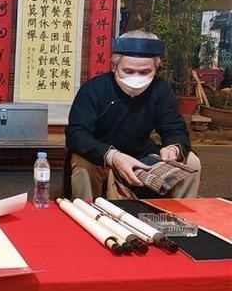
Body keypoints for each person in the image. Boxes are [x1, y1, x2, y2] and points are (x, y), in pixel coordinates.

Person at [65, 30, 201, 200]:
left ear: (156, 68)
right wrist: (113, 157)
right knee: (83, 164)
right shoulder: (94, 89)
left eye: (145, 72)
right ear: (114, 66)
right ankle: (86, 213)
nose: (136, 78)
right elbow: (76, 134)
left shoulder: (160, 89)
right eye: (128, 71)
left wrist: (173, 148)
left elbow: (174, 127)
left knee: (191, 161)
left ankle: (179, 218)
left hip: (142, 154)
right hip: (102, 154)